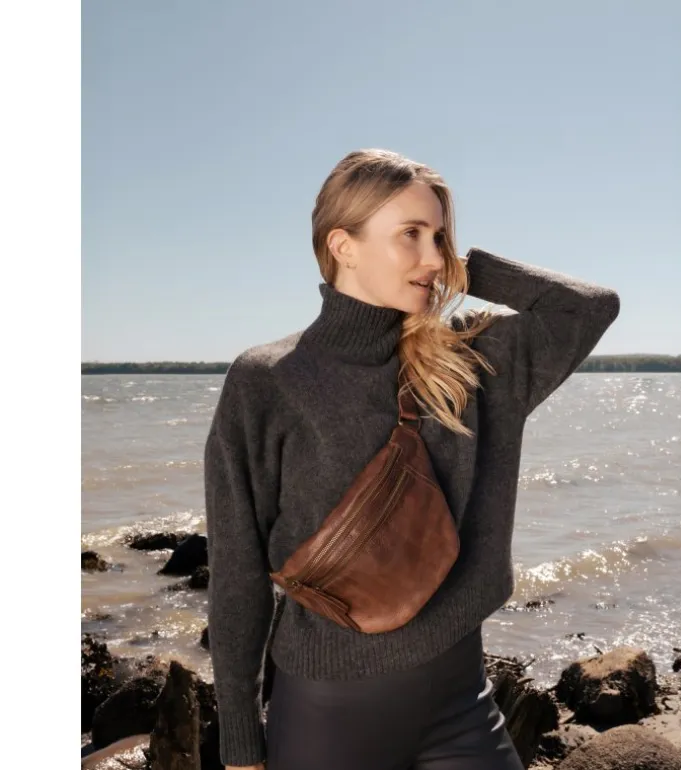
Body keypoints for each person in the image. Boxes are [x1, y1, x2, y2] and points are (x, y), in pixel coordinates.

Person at [204, 148, 620, 770]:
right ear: (342, 245)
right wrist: (240, 736)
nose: (432, 257)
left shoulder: (470, 362)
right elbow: (237, 565)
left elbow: (589, 306)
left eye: (440, 237)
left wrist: (465, 268)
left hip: (463, 703)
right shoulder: (269, 379)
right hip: (328, 718)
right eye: (410, 235)